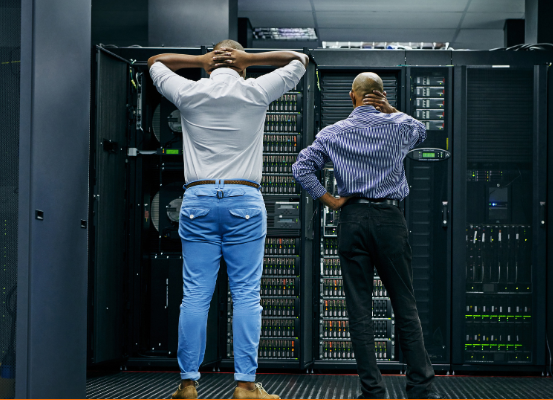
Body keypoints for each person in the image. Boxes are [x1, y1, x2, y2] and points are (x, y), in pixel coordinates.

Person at [148, 40, 308, 399]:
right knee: (247, 296)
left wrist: (199, 59)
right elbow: (300, 61)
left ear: (210, 67)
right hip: (244, 199)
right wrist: (250, 59)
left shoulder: (188, 91)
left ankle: (188, 385)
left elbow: (155, 62)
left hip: (198, 199)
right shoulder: (254, 90)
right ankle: (246, 386)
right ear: (243, 67)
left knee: (195, 296)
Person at [292, 73, 441, 399]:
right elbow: (421, 131)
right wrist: (391, 110)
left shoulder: (333, 133)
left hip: (352, 219)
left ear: (352, 96)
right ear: (380, 95)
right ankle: (422, 388)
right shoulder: (398, 126)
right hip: (389, 219)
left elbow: (301, 167)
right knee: (404, 305)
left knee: (358, 309)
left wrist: (329, 200)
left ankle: (372, 391)